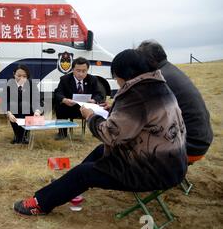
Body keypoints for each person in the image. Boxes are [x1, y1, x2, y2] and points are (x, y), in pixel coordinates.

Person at [13, 49, 188, 216]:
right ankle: (66, 187)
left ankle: (40, 204)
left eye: (116, 78)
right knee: (99, 152)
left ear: (123, 75)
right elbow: (140, 121)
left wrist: (90, 117)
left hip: (151, 170)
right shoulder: (158, 87)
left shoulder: (136, 95)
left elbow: (110, 135)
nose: (118, 83)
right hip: (172, 163)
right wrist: (113, 109)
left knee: (84, 173)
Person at [136, 40, 213, 162]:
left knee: (132, 144)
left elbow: (141, 115)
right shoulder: (170, 70)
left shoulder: (159, 78)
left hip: (188, 146)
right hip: (201, 141)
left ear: (149, 61)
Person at [53, 57, 105, 139]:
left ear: (87, 70)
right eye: (78, 70)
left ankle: (97, 130)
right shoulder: (65, 79)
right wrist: (64, 100)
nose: (81, 74)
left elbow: (99, 94)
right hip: (70, 107)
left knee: (102, 105)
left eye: (84, 71)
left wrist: (94, 100)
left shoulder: (93, 79)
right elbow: (58, 93)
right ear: (73, 70)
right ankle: (62, 133)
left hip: (87, 108)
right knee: (59, 105)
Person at [5, 64, 42, 144]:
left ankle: (24, 135)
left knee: (24, 105)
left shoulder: (32, 84)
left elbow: (36, 99)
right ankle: (17, 135)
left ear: (27, 76)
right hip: (14, 110)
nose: (21, 78)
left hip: (28, 109)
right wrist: (9, 113)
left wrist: (37, 111)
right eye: (18, 75)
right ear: (14, 74)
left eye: (24, 76)